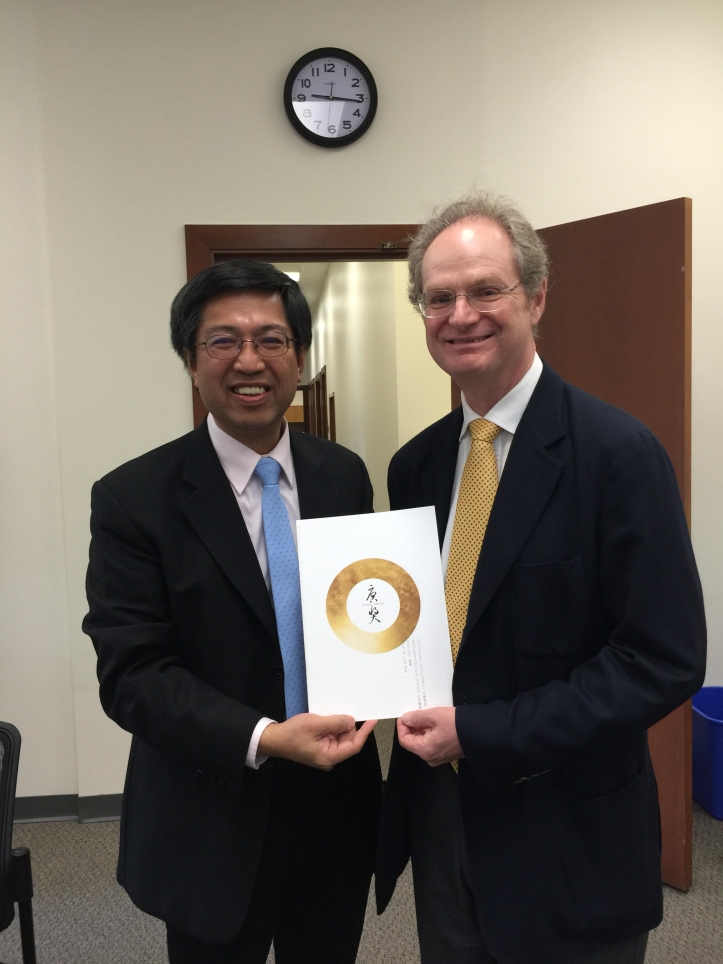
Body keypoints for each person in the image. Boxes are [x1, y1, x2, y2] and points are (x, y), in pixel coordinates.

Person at [375, 193, 706, 964]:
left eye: (485, 290)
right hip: (443, 822)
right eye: (438, 297)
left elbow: (660, 660)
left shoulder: (617, 455)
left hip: (568, 834)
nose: (461, 314)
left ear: (535, 296)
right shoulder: (415, 466)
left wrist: (484, 731)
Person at [83, 260, 381, 964]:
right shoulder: (134, 498)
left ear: (300, 359)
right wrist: (266, 738)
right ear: (191, 360)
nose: (250, 360)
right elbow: (133, 674)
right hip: (208, 809)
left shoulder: (343, 473)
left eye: (272, 339)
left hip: (335, 802)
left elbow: (366, 613)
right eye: (223, 340)